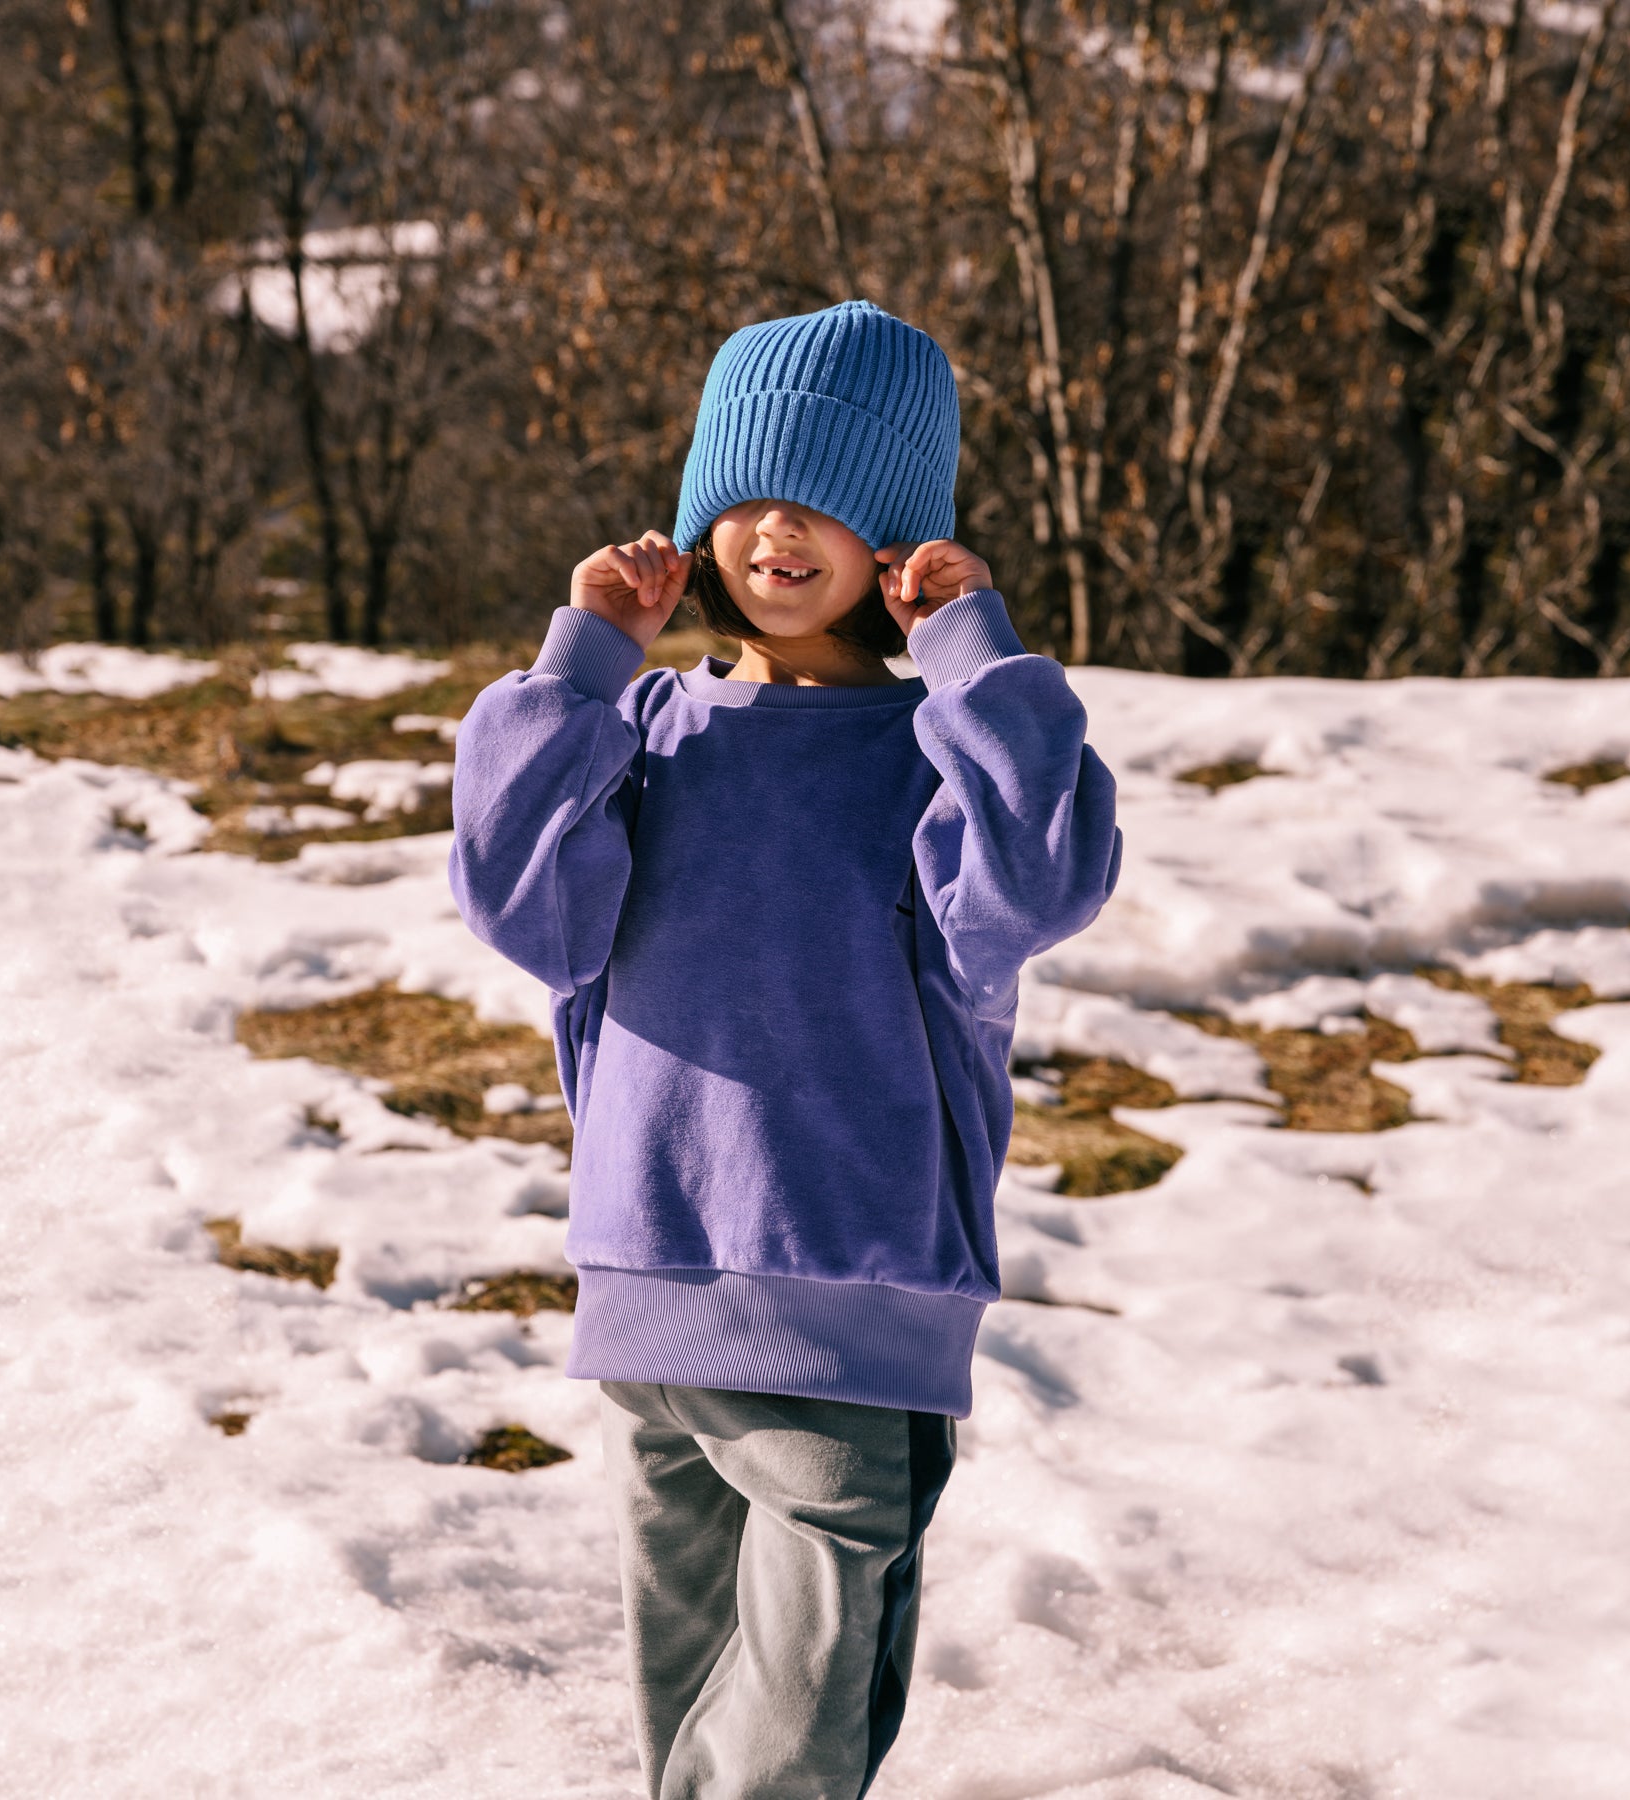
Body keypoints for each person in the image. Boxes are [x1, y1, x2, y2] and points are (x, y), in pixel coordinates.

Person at [449, 298, 1123, 1800]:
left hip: (846, 1278)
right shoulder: (645, 730)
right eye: (744, 495)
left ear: (894, 538)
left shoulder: (932, 751)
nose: (774, 529)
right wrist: (584, 659)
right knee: (696, 1687)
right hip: (651, 1270)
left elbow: (1038, 877)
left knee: (794, 1714)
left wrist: (974, 657)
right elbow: (509, 887)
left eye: (820, 499)